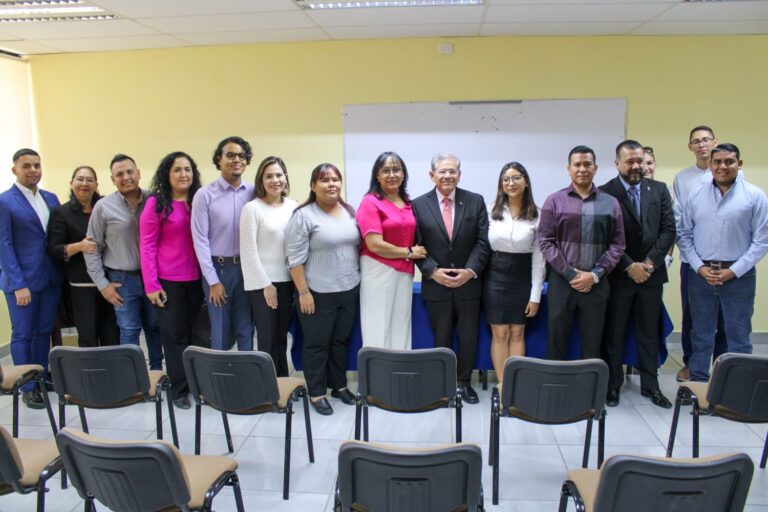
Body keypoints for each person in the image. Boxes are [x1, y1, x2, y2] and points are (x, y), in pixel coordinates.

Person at [678, 143, 768, 382]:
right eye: (717, 162)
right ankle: (697, 384)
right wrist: (700, 267)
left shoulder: (754, 196)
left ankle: (736, 388)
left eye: (729, 161)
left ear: (740, 163)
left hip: (738, 276)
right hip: (702, 275)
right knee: (700, 333)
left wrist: (734, 271)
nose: (723, 166)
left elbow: (761, 241)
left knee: (738, 334)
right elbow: (684, 235)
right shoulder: (696, 195)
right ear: (710, 165)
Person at [599, 140, 675, 408]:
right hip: (619, 275)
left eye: (639, 161)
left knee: (648, 333)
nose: (636, 166)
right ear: (617, 163)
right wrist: (629, 265)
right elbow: (605, 237)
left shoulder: (660, 190)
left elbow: (668, 230)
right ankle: (613, 386)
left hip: (652, 276)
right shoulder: (605, 192)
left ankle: (651, 386)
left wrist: (650, 262)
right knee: (615, 332)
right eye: (629, 161)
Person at [412, 153, 489, 404]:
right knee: (441, 336)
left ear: (459, 174)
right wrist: (433, 271)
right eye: (442, 171)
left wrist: (469, 271)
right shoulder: (417, 205)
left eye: (452, 171)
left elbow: (482, 241)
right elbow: (414, 245)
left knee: (468, 337)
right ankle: (442, 383)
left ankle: (464, 383)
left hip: (469, 284)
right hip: (436, 285)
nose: (447, 176)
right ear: (431, 175)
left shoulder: (475, 201)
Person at [285, 163, 360, 416]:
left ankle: (338, 385)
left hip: (349, 288)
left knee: (340, 341)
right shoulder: (304, 215)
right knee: (317, 343)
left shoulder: (350, 211)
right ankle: (317, 393)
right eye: (324, 180)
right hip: (317, 292)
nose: (331, 185)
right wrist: (303, 293)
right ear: (313, 185)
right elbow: (294, 259)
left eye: (336, 179)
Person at [538, 145, 625, 361]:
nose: (582, 169)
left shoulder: (610, 203)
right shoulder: (554, 201)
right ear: (569, 169)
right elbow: (545, 241)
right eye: (577, 165)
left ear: (595, 168)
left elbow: (618, 244)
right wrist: (570, 274)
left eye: (587, 164)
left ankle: (589, 392)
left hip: (597, 284)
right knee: (556, 341)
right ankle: (554, 389)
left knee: (593, 343)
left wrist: (594, 274)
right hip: (561, 283)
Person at [85, 154, 163, 370]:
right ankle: (133, 378)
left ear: (138, 173)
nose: (126, 177)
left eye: (130, 172)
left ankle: (157, 374)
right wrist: (102, 285)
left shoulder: (155, 201)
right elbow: (92, 250)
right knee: (128, 330)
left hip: (153, 278)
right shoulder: (103, 207)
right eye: (119, 174)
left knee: (155, 327)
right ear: (112, 179)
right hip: (121, 279)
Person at [140, 151, 203, 409]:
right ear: (167, 174)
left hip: (197, 280)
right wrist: (152, 285)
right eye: (177, 169)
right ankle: (179, 389)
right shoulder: (157, 203)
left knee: (196, 336)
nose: (183, 174)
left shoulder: (199, 200)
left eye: (187, 169)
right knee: (174, 336)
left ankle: (199, 386)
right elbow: (146, 246)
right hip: (169, 282)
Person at [0, 148, 62, 409]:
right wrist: (18, 284)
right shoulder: (5, 201)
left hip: (49, 279)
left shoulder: (50, 198)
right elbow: (4, 244)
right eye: (27, 166)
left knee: (43, 332)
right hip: (22, 283)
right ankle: (26, 386)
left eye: (37, 165)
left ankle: (41, 376)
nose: (33, 170)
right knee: (23, 334)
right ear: (15, 169)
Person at [672, 126, 727, 382]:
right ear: (690, 147)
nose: (702, 144)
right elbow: (681, 222)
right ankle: (692, 363)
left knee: (725, 315)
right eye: (696, 141)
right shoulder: (683, 179)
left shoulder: (733, 174)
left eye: (706, 139)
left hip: (728, 260)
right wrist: (694, 259)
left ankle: (722, 364)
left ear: (715, 141)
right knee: (693, 315)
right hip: (694, 261)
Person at [356, 151, 426, 350]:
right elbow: (374, 244)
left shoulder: (409, 203)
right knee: (378, 326)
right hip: (378, 270)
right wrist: (409, 252)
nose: (392, 174)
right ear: (377, 175)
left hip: (403, 272)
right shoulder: (370, 202)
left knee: (401, 325)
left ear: (403, 174)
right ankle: (378, 378)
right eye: (385, 170)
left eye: (396, 169)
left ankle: (398, 375)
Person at [191, 136, 254, 351]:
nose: (236, 159)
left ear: (246, 161)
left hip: (247, 269)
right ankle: (219, 381)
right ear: (219, 160)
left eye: (241, 156)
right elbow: (200, 241)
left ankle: (247, 376)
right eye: (230, 155)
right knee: (219, 330)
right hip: (218, 269)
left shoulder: (254, 193)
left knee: (246, 327)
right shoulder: (205, 195)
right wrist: (212, 281)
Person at [484, 162, 545, 383]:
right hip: (494, 277)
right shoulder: (490, 211)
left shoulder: (538, 215)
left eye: (516, 177)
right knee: (500, 334)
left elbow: (539, 259)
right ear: (501, 185)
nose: (511, 183)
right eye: (506, 179)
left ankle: (515, 385)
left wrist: (535, 295)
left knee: (518, 333)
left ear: (526, 181)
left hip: (522, 277)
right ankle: (502, 386)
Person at [48, 166, 118, 348]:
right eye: (80, 179)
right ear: (72, 184)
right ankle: (91, 376)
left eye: (89, 180)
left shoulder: (106, 206)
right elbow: (54, 248)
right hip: (82, 285)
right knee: (88, 336)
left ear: (96, 185)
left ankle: (114, 375)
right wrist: (80, 246)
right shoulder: (61, 213)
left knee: (112, 334)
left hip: (111, 282)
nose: (84, 184)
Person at [240, 156, 297, 376]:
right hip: (263, 285)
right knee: (267, 337)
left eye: (279, 175)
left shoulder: (294, 206)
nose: (275, 180)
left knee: (282, 336)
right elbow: (248, 251)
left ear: (285, 178)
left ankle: (282, 382)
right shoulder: (252, 208)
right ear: (261, 180)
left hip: (289, 281)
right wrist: (266, 284)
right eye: (269, 176)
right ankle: (268, 386)